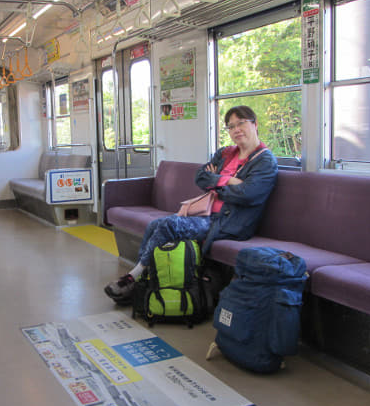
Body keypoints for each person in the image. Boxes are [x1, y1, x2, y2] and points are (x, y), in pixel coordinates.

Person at [104, 105, 278, 303]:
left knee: (169, 224)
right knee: (154, 225)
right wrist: (227, 180)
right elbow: (201, 177)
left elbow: (249, 195)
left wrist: (215, 182)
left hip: (230, 221)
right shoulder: (226, 153)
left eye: (241, 123)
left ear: (255, 124)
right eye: (230, 127)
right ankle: (144, 280)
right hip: (205, 214)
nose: (236, 130)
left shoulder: (265, 161)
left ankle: (135, 277)